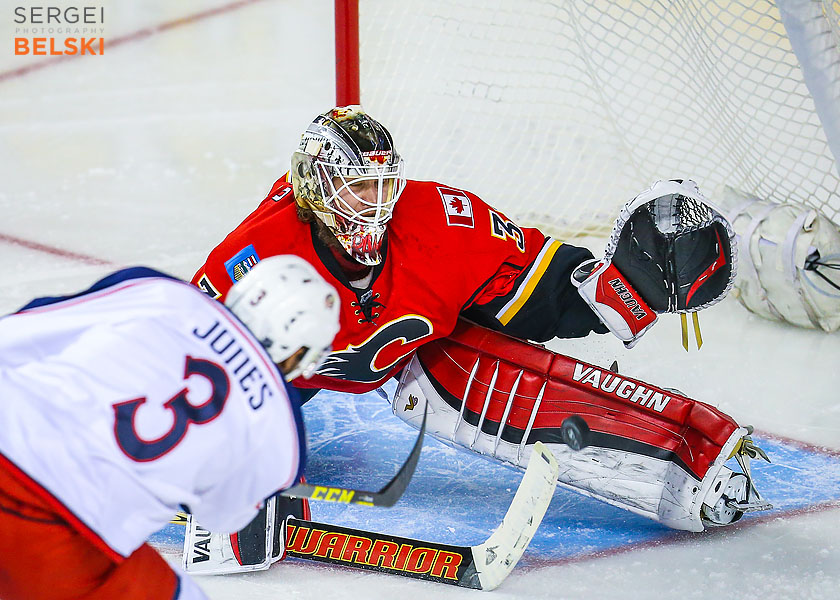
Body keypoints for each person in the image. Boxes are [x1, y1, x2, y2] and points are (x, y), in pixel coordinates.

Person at [191, 106, 769, 561]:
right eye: (356, 189)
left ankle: (684, 455)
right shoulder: (258, 257)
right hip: (280, 376)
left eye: (382, 185)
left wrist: (617, 292)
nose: (376, 204)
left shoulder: (439, 220)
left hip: (398, 352)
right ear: (316, 192)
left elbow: (533, 287)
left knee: (486, 364)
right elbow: (191, 359)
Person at [0, 255, 340, 600]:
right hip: (65, 533)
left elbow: (17, 332)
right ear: (301, 350)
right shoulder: (282, 425)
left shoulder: (164, 294)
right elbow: (222, 519)